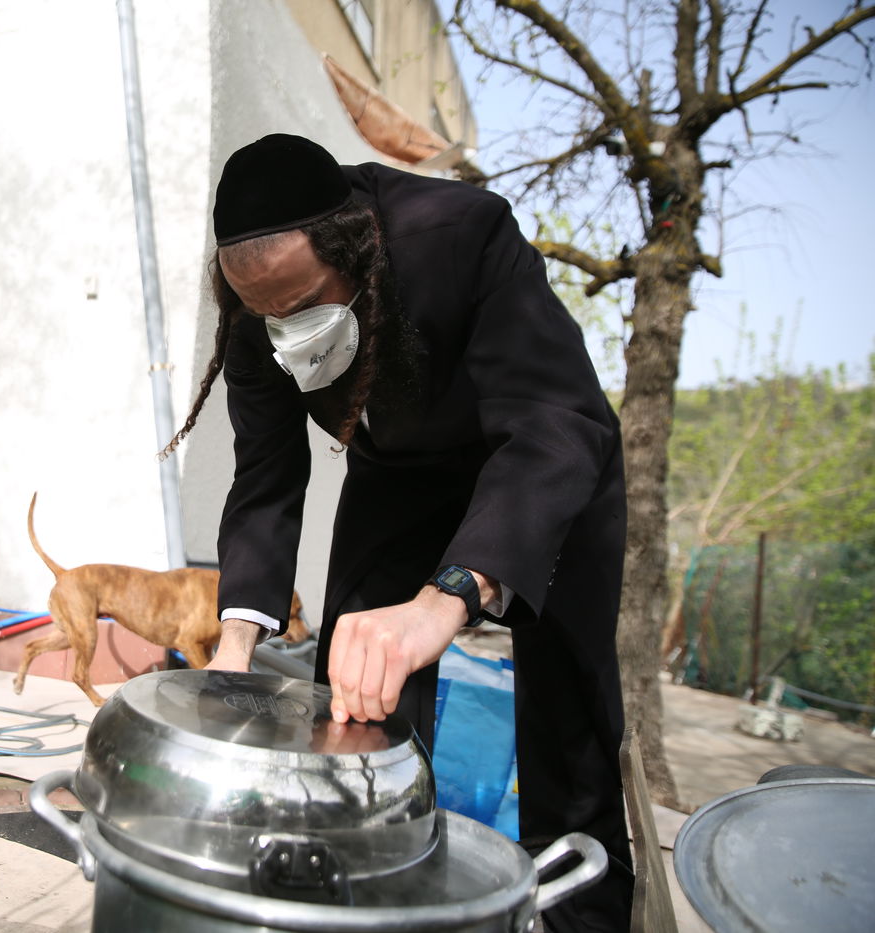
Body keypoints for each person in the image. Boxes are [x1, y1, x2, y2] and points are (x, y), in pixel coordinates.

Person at [166, 134, 633, 932]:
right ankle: (360, 882)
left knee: (567, 719)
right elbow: (266, 478)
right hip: (399, 473)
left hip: (534, 464)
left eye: (303, 302)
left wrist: (448, 596)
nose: (285, 329)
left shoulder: (461, 235)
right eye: (263, 313)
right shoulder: (255, 313)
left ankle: (581, 910)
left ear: (360, 253)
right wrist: (236, 644)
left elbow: (557, 425)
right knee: (354, 690)